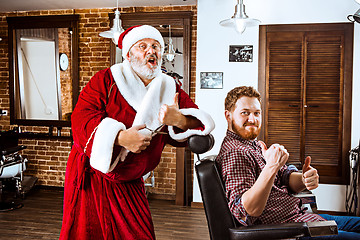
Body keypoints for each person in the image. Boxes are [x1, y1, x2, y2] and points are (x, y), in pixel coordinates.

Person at [59, 25, 214, 240]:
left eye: (156, 46)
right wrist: (121, 137)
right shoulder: (106, 80)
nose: (151, 51)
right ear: (129, 54)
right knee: (89, 233)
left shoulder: (170, 88)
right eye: (143, 46)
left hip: (131, 179)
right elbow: (80, 119)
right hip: (94, 175)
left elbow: (198, 122)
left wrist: (177, 119)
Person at [216, 86, 360, 239]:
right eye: (245, 113)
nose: (252, 119)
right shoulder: (236, 152)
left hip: (302, 218)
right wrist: (271, 166)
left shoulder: (255, 145)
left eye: (257, 113)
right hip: (291, 231)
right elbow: (245, 212)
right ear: (228, 116)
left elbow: (284, 177)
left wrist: (304, 179)